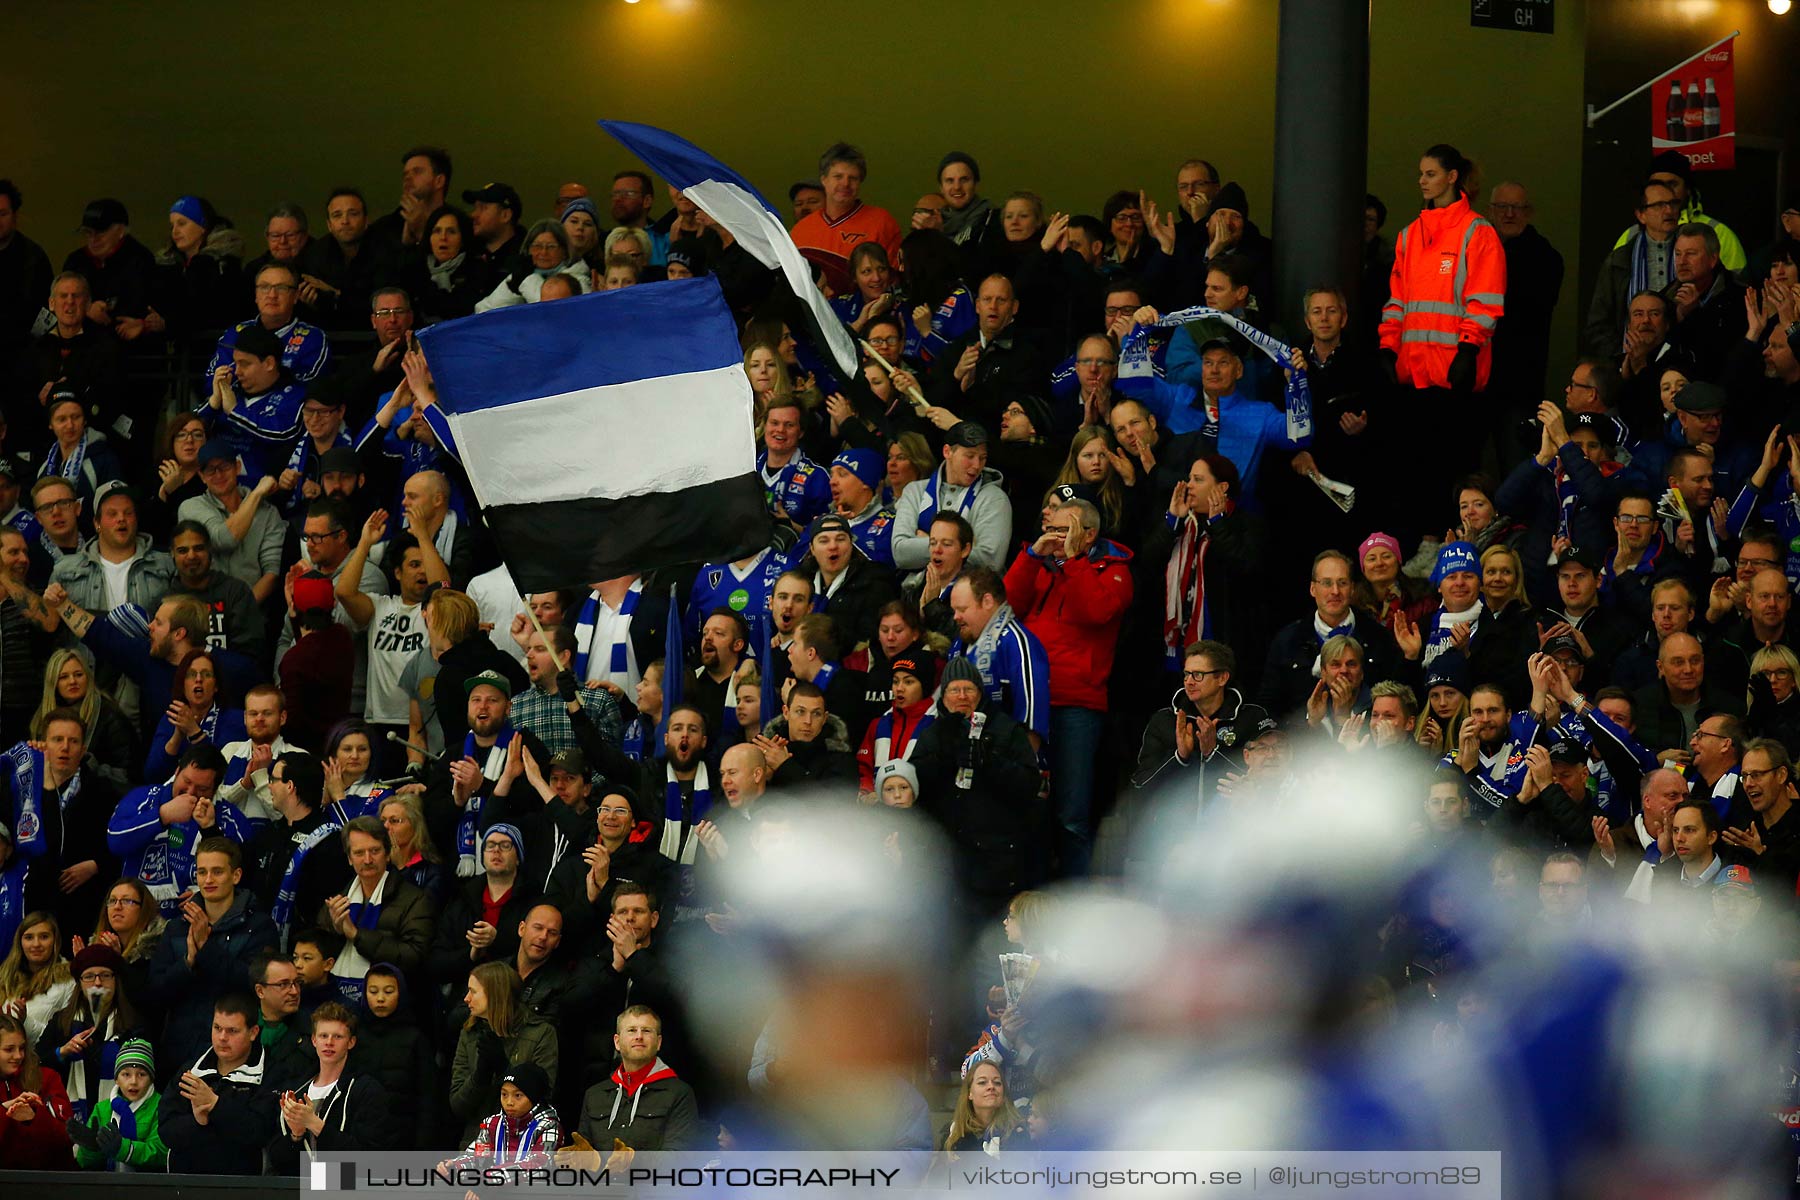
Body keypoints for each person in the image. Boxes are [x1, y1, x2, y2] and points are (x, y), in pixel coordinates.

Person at [1005, 497, 1132, 871]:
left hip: (1078, 704)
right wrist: (1031, 557)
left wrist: (1074, 561)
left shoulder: (1115, 570)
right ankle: (1031, 901)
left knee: (1071, 816)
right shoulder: (1042, 563)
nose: (1057, 538)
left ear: (1089, 533)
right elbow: (1007, 605)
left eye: (1066, 530)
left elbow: (1096, 612)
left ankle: (1075, 902)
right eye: (1053, 529)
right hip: (1030, 700)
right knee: (1028, 807)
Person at [1378, 143, 1505, 504]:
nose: (1422, 180)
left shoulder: (1477, 232)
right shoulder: (1409, 235)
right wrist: (1388, 347)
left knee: (1456, 471)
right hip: (1414, 373)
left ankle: (1456, 543)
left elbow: (1486, 301)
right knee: (1418, 469)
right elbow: (1397, 300)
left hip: (1456, 374)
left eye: (1430, 173)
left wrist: (1468, 349)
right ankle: (1427, 543)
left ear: (1452, 177)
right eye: (1420, 173)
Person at [148, 838, 277, 1067]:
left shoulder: (259, 926)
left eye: (217, 872)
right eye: (202, 872)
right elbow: (156, 992)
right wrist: (188, 963)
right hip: (178, 1052)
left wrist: (205, 948)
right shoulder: (177, 927)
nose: (208, 880)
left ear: (235, 876)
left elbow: (254, 983)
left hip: (234, 1054)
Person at [316, 816, 432, 1004]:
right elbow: (320, 949)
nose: (368, 859)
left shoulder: (415, 898)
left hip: (391, 1003)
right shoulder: (341, 897)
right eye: (359, 853)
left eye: (375, 851)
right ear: (349, 859)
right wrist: (335, 931)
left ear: (387, 853)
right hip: (336, 998)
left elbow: (414, 957)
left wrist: (356, 935)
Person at [159, 993, 276, 1174]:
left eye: (232, 1031)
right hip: (185, 1185)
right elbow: (166, 1130)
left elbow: (260, 1131)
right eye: (217, 1028)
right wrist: (197, 1121)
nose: (222, 1037)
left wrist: (215, 1105)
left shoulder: (270, 1073)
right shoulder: (191, 1071)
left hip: (242, 1187)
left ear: (253, 1032)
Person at [448, 961, 557, 1143]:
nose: (466, 998)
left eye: (473, 991)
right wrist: (481, 1075)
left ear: (495, 994)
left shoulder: (541, 1033)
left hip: (524, 1145)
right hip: (476, 1144)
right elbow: (458, 1106)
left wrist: (504, 1070)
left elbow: (543, 1099)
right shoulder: (470, 1033)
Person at [946, 567, 1050, 744]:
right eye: (954, 610)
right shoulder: (960, 644)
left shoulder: (1017, 643)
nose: (956, 617)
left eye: (962, 609)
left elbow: (1032, 725)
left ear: (987, 601)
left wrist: (1016, 768)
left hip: (1006, 759)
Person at [576, 1005, 698, 1152]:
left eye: (646, 1030)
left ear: (659, 1042)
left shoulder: (680, 1093)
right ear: (617, 1042)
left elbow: (680, 1158)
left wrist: (633, 1162)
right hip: (600, 1176)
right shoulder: (594, 1095)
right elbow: (583, 1154)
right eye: (632, 1030)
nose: (639, 1036)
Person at [790, 142, 902, 295]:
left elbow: (894, 281)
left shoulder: (881, 221)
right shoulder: (801, 229)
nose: (845, 184)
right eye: (838, 176)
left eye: (853, 178)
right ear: (824, 180)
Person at [1587, 180, 1683, 358]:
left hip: (1679, 360)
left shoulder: (1692, 254)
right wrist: (1621, 358)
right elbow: (1598, 324)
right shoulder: (1619, 260)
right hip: (1629, 362)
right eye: (1659, 205)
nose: (1669, 211)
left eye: (1673, 203)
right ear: (1641, 215)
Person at [65, 1037, 167, 1171]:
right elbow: (85, 1164)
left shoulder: (161, 1106)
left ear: (151, 1079)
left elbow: (162, 1154)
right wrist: (91, 1148)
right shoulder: (102, 1109)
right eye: (126, 1074)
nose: (134, 1081)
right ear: (116, 1079)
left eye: (142, 1074)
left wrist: (123, 1148)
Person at [444, 1061, 561, 1169]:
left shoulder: (549, 1126)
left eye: (518, 1095)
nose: (509, 1102)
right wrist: (454, 1167)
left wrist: (490, 1180)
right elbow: (476, 1157)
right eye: (504, 1094)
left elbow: (538, 1164)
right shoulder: (491, 1124)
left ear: (534, 1098)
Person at [0, 1012, 75, 1169]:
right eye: (9, 1049)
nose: (18, 1055)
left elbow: (66, 1138)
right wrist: (4, 1110)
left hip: (45, 1181)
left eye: (22, 1048)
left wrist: (35, 1116)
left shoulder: (47, 1078)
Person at [406, 206, 493, 325]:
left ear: (463, 239)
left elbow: (458, 309)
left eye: (451, 232)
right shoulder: (415, 269)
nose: (443, 238)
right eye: (437, 231)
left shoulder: (477, 270)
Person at [0, 914, 72, 1043]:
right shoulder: (5, 977)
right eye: (29, 937)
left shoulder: (68, 981)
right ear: (20, 942)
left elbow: (62, 1038)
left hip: (41, 1060)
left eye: (44, 937)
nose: (36, 944)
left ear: (55, 941)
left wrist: (25, 1022)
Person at [941, 1060, 1025, 1155]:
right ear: (970, 1093)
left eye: (997, 1082)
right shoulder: (953, 1133)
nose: (991, 1086)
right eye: (982, 1082)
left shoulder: (1017, 1133)